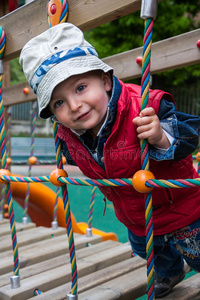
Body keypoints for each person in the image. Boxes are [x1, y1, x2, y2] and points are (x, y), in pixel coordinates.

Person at [20, 22, 200, 298]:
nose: (74, 106)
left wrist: (161, 136)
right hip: (136, 219)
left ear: (105, 80)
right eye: (59, 103)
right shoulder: (68, 136)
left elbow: (191, 135)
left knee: (196, 251)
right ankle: (171, 272)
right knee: (150, 252)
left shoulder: (144, 107)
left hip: (184, 212)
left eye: (80, 87)